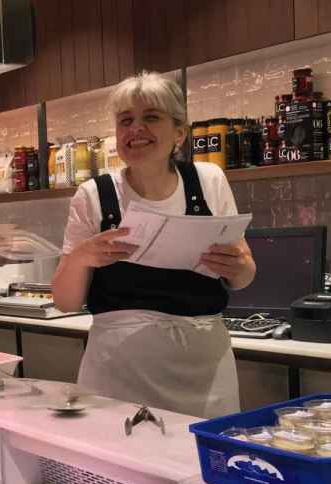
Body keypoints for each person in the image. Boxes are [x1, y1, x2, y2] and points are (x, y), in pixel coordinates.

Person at [52, 72, 256, 418]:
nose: (136, 129)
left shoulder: (209, 180)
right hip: (120, 375)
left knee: (200, 465)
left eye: (151, 117)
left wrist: (238, 267)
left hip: (204, 372)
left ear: (179, 132)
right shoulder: (94, 196)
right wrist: (82, 257)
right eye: (125, 120)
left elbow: (244, 273)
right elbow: (65, 301)